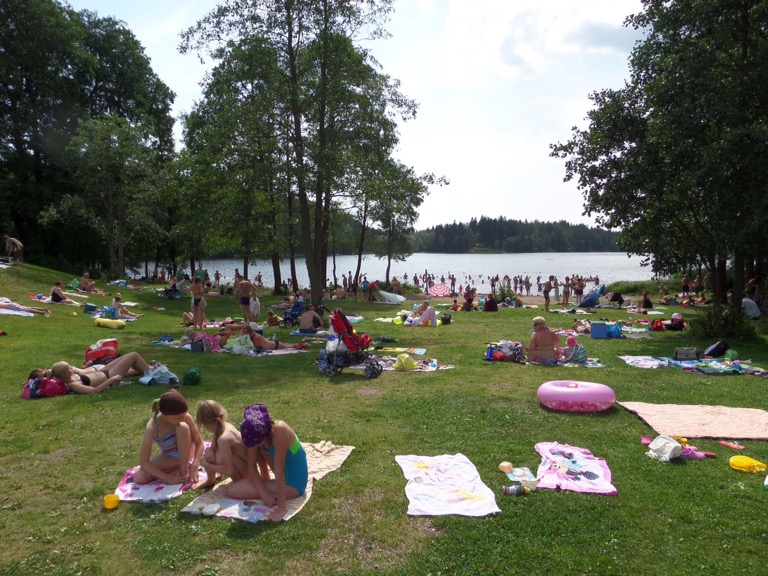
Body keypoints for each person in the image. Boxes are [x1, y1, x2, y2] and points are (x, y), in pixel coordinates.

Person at [228, 404, 308, 521]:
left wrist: (281, 507)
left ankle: (270, 487)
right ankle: (266, 481)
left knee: (234, 490)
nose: (255, 445)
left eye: (257, 442)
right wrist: (264, 495)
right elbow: (251, 465)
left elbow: (279, 471)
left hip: (293, 485)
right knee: (235, 489)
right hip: (282, 477)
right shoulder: (256, 432)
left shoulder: (280, 431)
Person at [133, 389, 204, 485]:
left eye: (184, 415)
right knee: (139, 477)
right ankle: (176, 468)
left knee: (183, 427)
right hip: (169, 456)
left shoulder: (184, 418)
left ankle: (184, 470)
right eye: (179, 417)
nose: (183, 418)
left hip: (187, 453)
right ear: (166, 414)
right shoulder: (152, 427)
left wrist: (194, 467)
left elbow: (200, 443)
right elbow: (144, 462)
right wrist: (167, 477)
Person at [193, 400, 248, 489]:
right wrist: (209, 451)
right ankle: (211, 479)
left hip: (246, 469)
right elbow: (213, 447)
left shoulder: (223, 439)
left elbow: (229, 470)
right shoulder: (222, 425)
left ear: (205, 423)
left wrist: (207, 465)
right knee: (208, 454)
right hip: (245, 464)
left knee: (215, 458)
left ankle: (238, 483)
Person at [44, 352, 151, 394]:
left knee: (129, 360)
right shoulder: (74, 385)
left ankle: (151, 369)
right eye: (69, 369)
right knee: (133, 356)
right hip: (109, 376)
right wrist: (111, 380)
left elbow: (53, 372)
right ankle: (154, 374)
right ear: (63, 375)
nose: (71, 369)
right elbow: (94, 391)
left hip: (103, 371)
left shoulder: (70, 376)